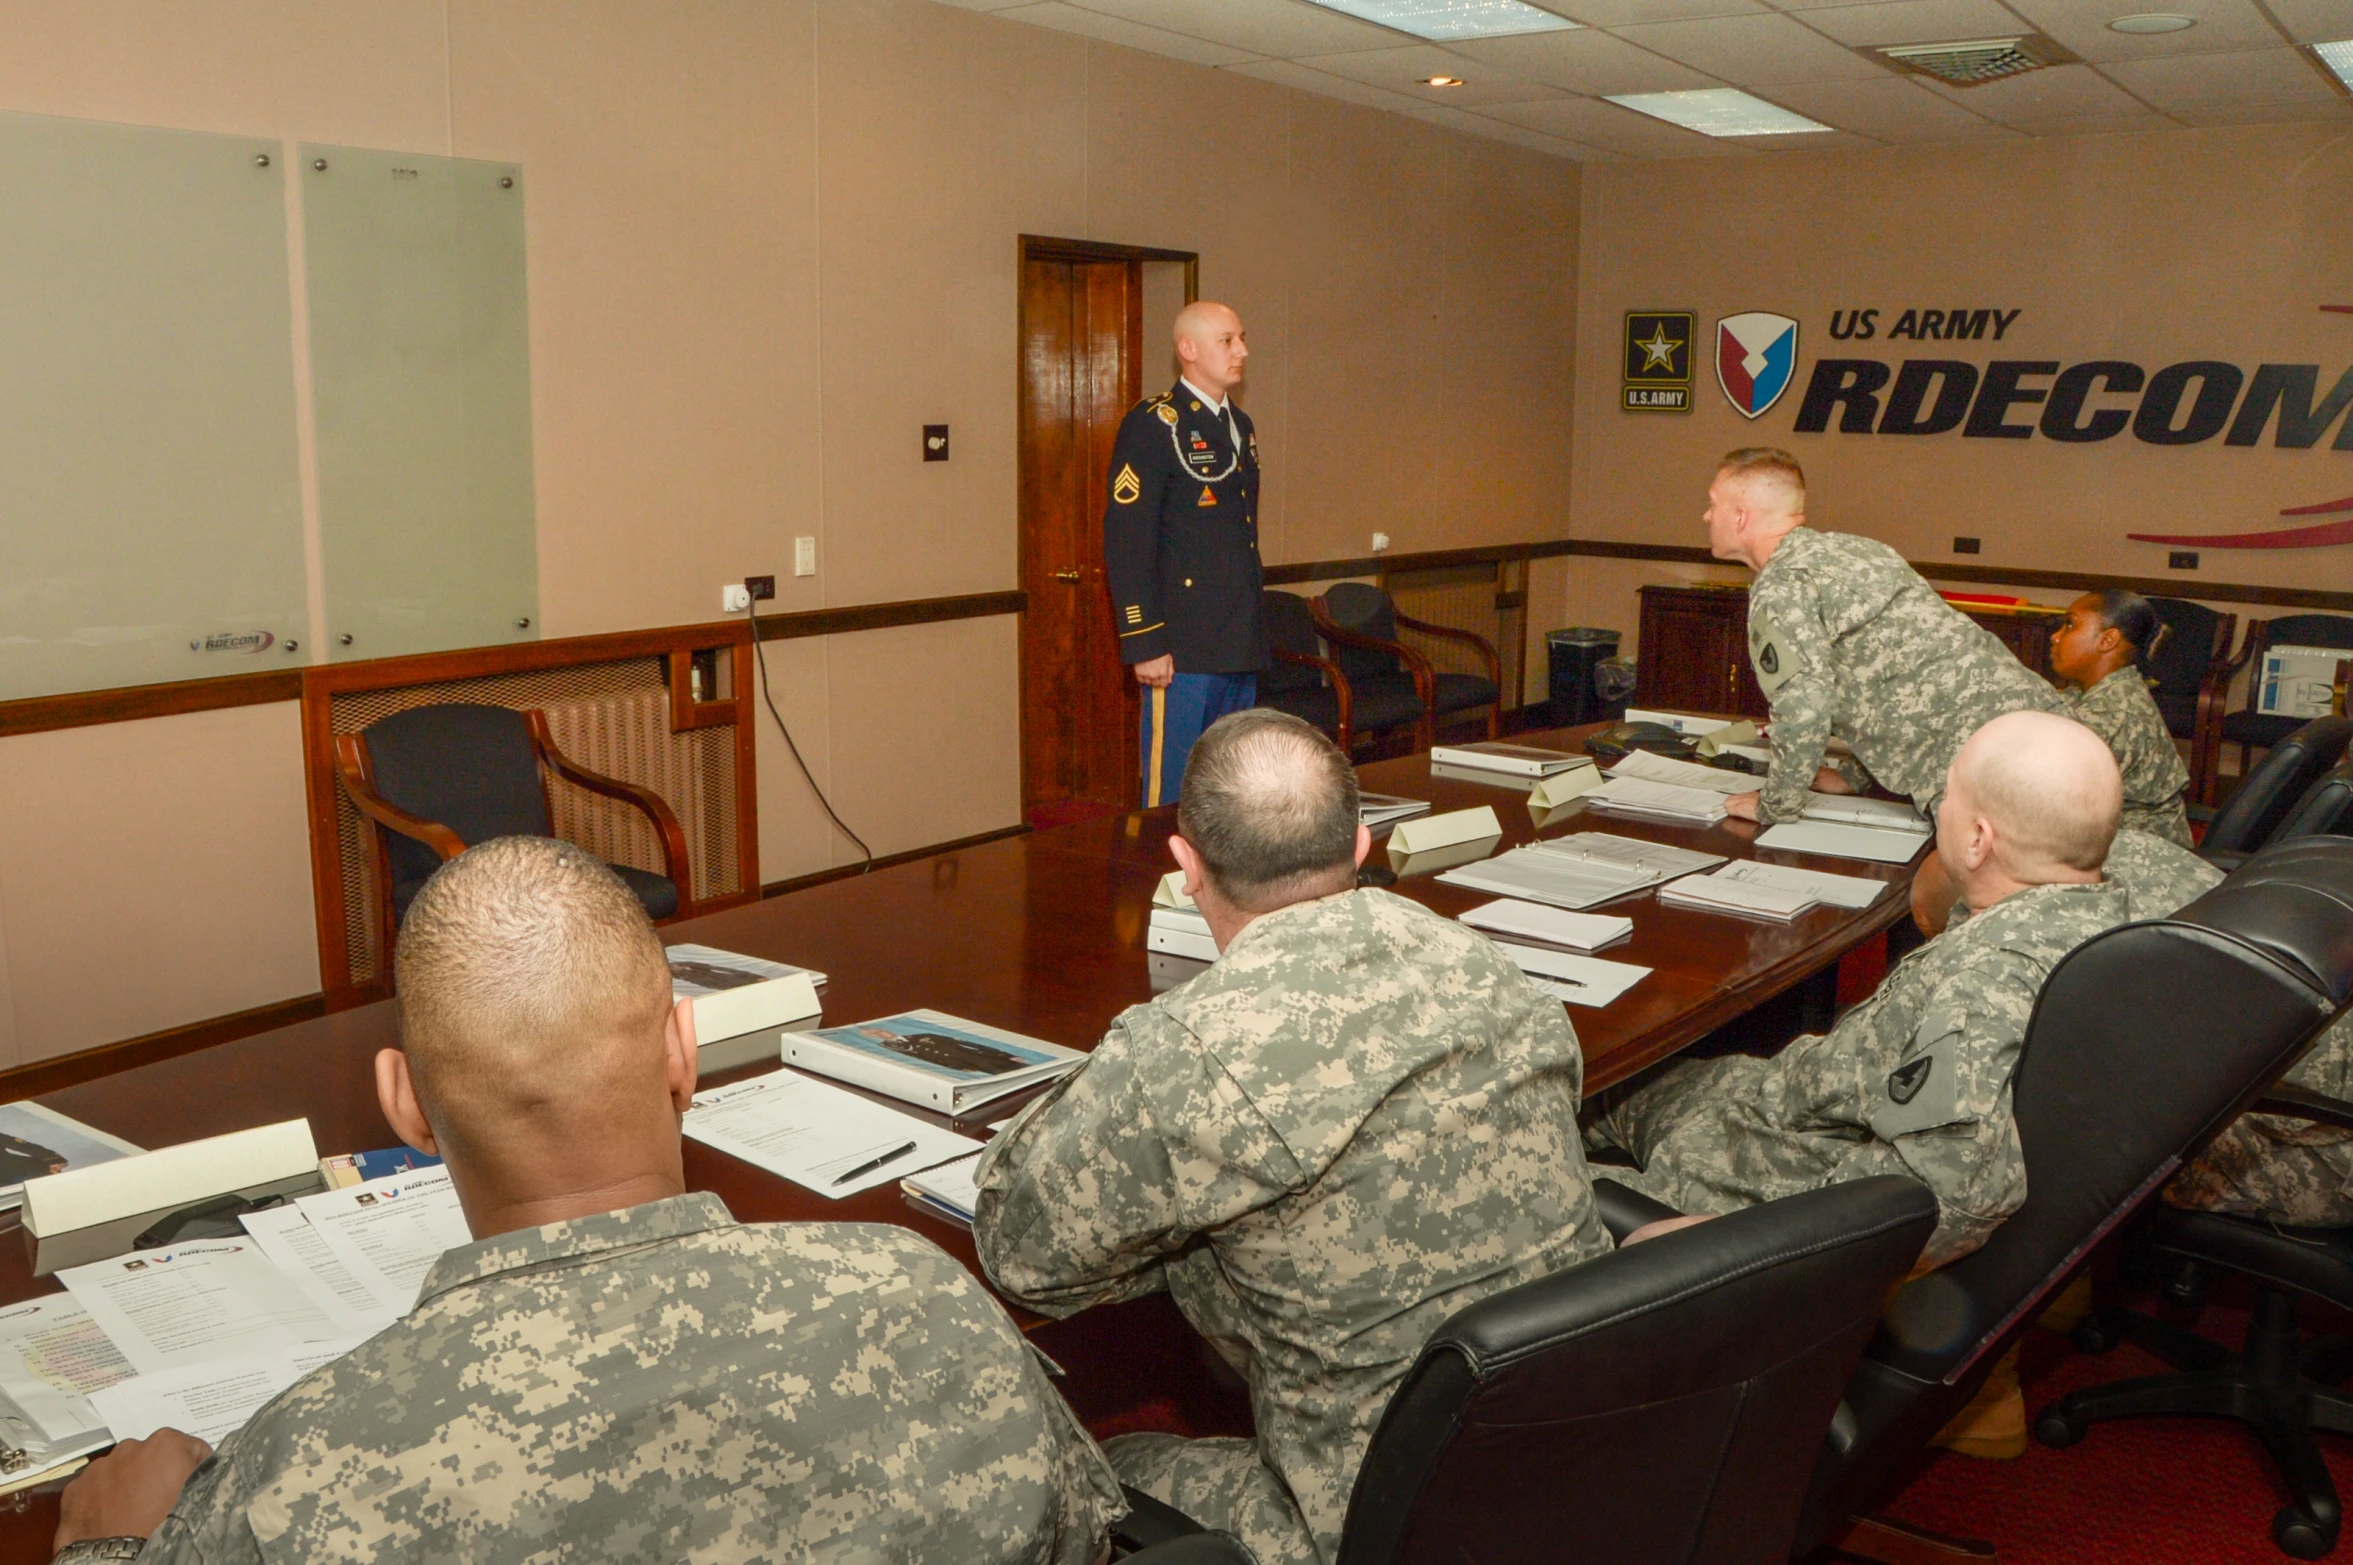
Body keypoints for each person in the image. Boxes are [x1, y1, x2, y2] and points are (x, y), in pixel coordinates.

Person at [51, 836, 1121, 1565]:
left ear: (403, 1105)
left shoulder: (300, 1466)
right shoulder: (927, 1301)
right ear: (681, 1052)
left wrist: (106, 1543)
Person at [972, 709, 1611, 1565]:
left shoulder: (1190, 1051)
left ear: (1185, 864)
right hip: (1591, 1449)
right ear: (1361, 844)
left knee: (1105, 1465)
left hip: (1375, 1520)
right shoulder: (1484, 963)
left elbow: (1021, 1252)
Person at [1591, 711, 2131, 1271]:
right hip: (1780, 1107)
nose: (1938, 810)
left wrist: (1751, 1247)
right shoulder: (2093, 915)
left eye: (1947, 797)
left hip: (1761, 1179)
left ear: (1977, 839)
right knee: (1603, 1087)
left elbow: (1949, 1195)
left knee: (1513, 1167)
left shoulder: (1985, 983)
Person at [1703, 448, 2065, 826]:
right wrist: (1855, 776)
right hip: (2045, 733)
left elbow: (1803, 704)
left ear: (1740, 516)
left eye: (1713, 504)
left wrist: (1775, 805)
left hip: (1985, 767)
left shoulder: (1783, 583)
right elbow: (1893, 672)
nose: (1707, 515)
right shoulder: (1859, 550)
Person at [1103, 300, 1266, 807]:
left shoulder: (1239, 424)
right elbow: (1127, 538)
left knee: (1229, 790)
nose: (1242, 351)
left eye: (1241, 338)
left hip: (1237, 639)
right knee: (1172, 788)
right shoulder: (1154, 424)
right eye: (1227, 341)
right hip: (1182, 646)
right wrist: (1144, 640)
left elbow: (1240, 538)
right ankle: (1160, 877)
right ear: (1188, 349)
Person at [2047, 589, 2194, 848]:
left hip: (2136, 861)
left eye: (2070, 624)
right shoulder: (2096, 692)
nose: (2055, 636)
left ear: (2107, 640)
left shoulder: (2112, 714)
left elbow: (2042, 797)